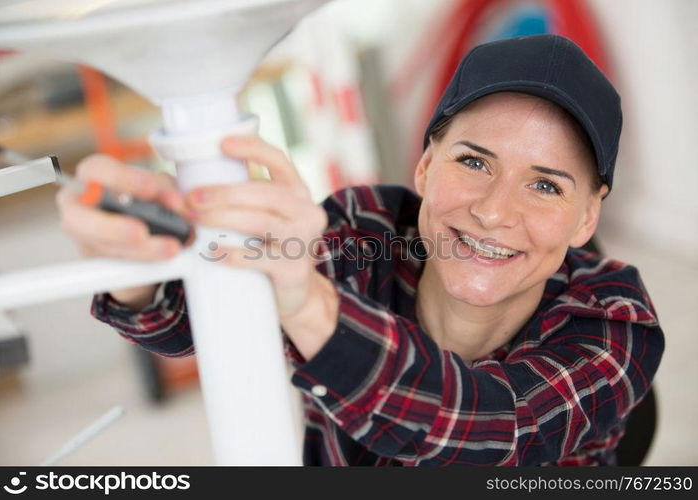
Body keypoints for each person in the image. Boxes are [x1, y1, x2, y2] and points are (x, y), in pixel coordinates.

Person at [57, 34, 664, 466]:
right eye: (474, 161)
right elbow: (193, 322)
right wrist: (138, 260)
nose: (494, 211)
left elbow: (487, 431)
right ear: (425, 167)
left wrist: (308, 302)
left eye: (544, 184)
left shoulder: (616, 321)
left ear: (587, 215)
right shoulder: (364, 231)